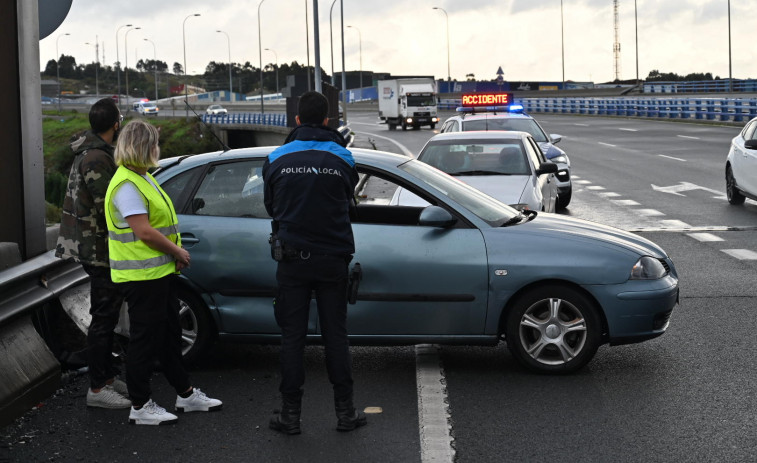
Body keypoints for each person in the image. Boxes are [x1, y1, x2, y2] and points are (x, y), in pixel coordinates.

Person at [104, 119, 222, 425]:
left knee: (169, 336)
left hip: (158, 274)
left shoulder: (143, 178)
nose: (159, 147)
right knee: (145, 341)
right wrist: (177, 251)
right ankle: (140, 406)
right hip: (141, 278)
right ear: (144, 146)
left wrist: (173, 257)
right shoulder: (127, 185)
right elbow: (144, 231)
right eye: (155, 142)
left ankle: (186, 394)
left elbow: (160, 226)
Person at [263, 91, 366, 435]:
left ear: (295, 120)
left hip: (292, 261)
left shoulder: (276, 157)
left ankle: (290, 416)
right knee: (336, 335)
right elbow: (347, 198)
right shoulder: (343, 158)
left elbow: (271, 207)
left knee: (292, 337)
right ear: (326, 120)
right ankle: (346, 413)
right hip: (333, 260)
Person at [55, 97, 131, 409]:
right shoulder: (97, 158)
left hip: (94, 247)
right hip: (99, 249)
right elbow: (108, 208)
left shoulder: (92, 153)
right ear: (116, 124)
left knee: (107, 315)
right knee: (103, 317)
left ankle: (108, 377)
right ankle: (98, 389)